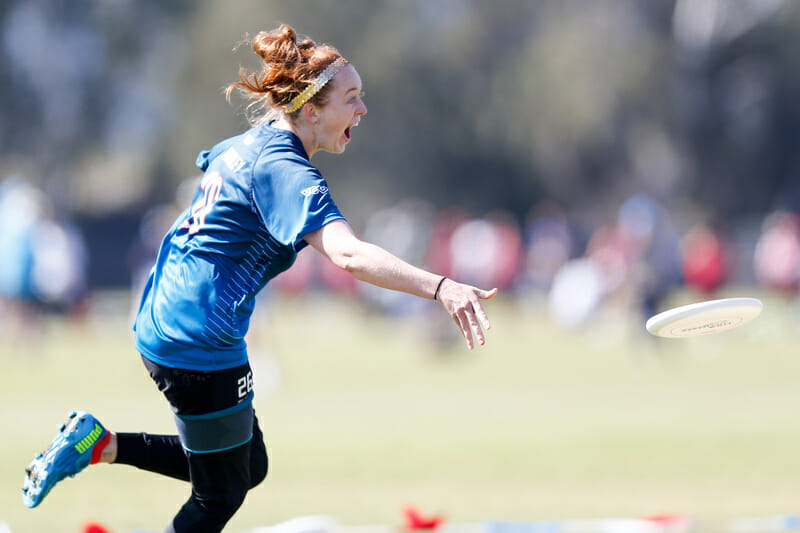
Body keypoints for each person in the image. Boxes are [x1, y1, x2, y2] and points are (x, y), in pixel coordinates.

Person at [21, 24, 497, 533]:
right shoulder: (286, 168)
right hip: (196, 335)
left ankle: (99, 443)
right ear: (311, 110)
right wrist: (442, 287)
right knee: (219, 494)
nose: (362, 110)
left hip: (170, 316)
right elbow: (349, 255)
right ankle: (101, 445)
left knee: (248, 465)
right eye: (352, 98)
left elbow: (213, 171)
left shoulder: (249, 144)